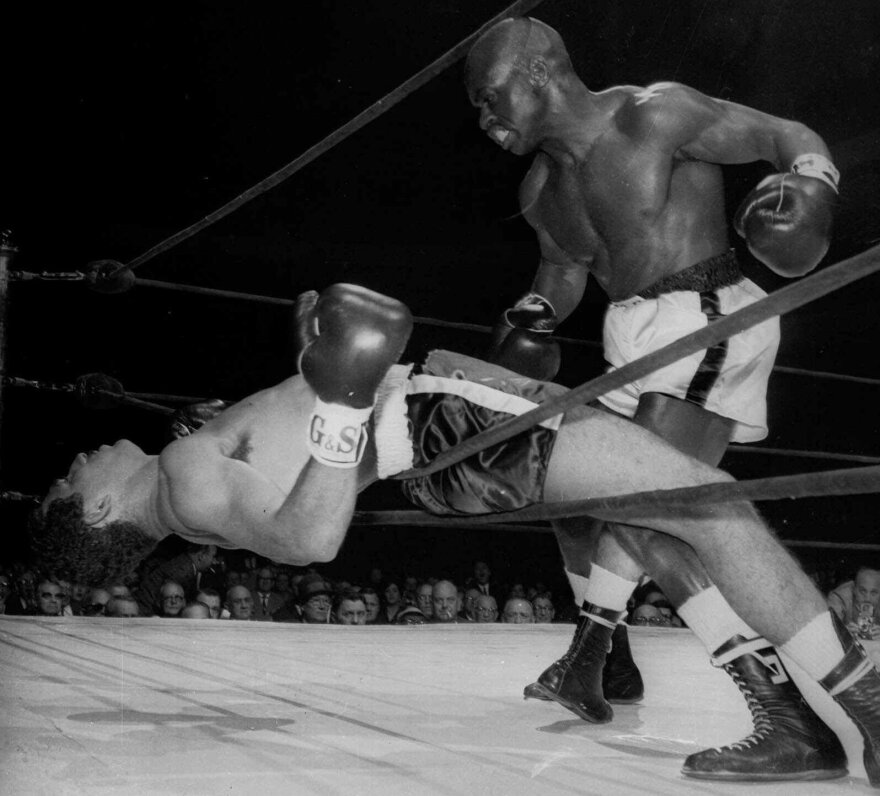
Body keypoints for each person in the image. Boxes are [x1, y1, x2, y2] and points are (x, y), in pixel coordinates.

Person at [31, 283, 879, 786]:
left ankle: (783, 718)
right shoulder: (184, 481)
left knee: (650, 513)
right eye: (72, 481)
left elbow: (294, 485)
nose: (77, 457)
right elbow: (311, 539)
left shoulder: (189, 474)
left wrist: (313, 366)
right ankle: (862, 702)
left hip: (439, 421)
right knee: (709, 498)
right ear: (100, 513)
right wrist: (344, 399)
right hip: (441, 424)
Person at [465, 16, 841, 780]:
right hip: (627, 342)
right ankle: (607, 665)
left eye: (490, 95)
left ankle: (789, 719)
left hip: (703, 317)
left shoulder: (654, 114)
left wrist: (814, 180)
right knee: (568, 499)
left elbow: (780, 132)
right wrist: (533, 316)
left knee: (646, 509)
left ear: (538, 71)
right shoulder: (541, 189)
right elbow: (563, 274)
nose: (486, 117)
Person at [828, 564, 880, 640]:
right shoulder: (839, 598)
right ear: (854, 589)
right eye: (862, 591)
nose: (868, 599)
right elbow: (826, 630)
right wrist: (842, 632)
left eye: (874, 593)